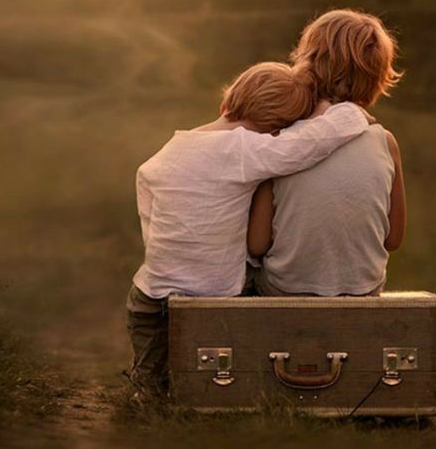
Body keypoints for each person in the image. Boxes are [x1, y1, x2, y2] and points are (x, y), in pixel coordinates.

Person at [126, 61, 372, 397]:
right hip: (215, 298)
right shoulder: (245, 149)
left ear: (225, 104)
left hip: (151, 297)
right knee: (214, 375)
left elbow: (151, 224)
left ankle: (148, 391)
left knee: (153, 377)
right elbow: (308, 146)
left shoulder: (167, 153)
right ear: (272, 131)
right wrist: (351, 115)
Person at [248, 9, 406, 298]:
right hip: (363, 291)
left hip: (285, 291)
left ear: (308, 61)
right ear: (377, 76)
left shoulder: (282, 141)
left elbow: (257, 244)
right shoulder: (385, 142)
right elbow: (393, 239)